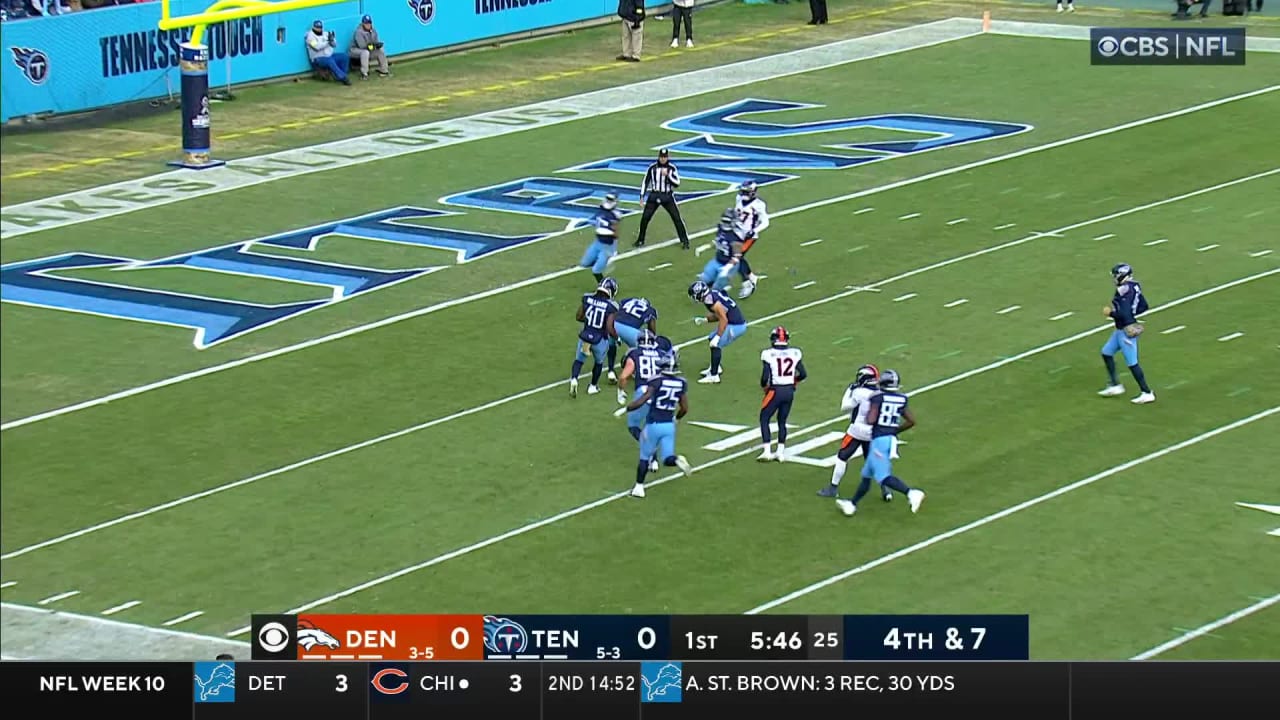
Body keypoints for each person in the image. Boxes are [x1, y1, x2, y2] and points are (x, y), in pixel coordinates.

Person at [835, 370, 926, 517]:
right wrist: (894, 430)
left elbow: (871, 420)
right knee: (866, 475)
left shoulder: (877, 397)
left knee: (882, 476)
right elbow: (911, 421)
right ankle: (852, 504)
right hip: (890, 439)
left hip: (879, 440)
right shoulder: (901, 398)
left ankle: (911, 493)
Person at [626, 351, 694, 498]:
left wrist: (629, 407)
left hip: (654, 424)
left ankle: (639, 487)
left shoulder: (656, 381)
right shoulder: (681, 383)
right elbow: (685, 408)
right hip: (669, 425)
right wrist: (676, 418)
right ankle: (677, 460)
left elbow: (644, 398)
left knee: (644, 456)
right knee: (667, 458)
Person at [819, 364, 888, 499]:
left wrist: (848, 390)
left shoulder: (859, 392)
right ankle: (885, 490)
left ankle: (833, 488)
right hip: (873, 432)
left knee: (842, 457)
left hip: (856, 430)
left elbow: (845, 407)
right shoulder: (882, 394)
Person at [1098, 263, 1155, 404]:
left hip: (1125, 330)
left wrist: (1110, 313)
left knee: (1132, 363)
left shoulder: (1123, 290)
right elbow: (1143, 306)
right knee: (1106, 352)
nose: (1114, 279)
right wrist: (1132, 316)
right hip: (1120, 329)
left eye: (1115, 275)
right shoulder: (1135, 285)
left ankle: (1147, 392)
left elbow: (1123, 313)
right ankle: (1115, 385)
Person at [615, 330, 666, 472]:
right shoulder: (661, 354)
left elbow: (624, 377)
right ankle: (654, 458)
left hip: (643, 392)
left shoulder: (635, 354)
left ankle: (652, 455)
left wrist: (621, 392)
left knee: (634, 426)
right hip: (661, 393)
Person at [757, 326, 807, 462]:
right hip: (789, 391)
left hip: (775, 390)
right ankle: (780, 452)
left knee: (764, 418)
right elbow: (803, 374)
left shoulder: (768, 354)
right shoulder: (795, 353)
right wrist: (794, 381)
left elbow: (764, 377)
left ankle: (767, 451)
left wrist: (764, 387)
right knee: (782, 421)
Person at [688, 280, 747, 384]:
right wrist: (706, 320)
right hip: (733, 322)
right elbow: (721, 314)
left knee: (715, 344)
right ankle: (715, 367)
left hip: (736, 325)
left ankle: (714, 376)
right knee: (711, 338)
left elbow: (723, 319)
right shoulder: (711, 296)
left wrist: (718, 337)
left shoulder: (710, 300)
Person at [569, 278, 619, 398]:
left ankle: (574, 379)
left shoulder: (587, 298)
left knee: (579, 360)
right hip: (599, 339)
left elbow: (579, 316)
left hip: (586, 336)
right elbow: (609, 327)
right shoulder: (611, 306)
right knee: (598, 362)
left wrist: (589, 322)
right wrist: (617, 338)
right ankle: (592, 386)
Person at [634, 148, 691, 249]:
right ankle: (640, 240)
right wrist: (642, 196)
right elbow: (645, 182)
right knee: (645, 218)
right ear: (659, 157)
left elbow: (677, 183)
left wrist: (668, 176)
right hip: (654, 195)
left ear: (667, 157)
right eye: (661, 157)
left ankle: (685, 241)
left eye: (664, 157)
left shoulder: (671, 168)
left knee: (676, 218)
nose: (663, 159)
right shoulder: (652, 168)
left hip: (667, 196)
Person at [732, 181, 769, 299]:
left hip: (749, 236)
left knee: (737, 257)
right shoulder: (738, 198)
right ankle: (752, 278)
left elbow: (766, 221)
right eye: (742, 191)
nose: (743, 194)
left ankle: (747, 284)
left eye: (745, 192)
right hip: (737, 233)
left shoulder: (759, 205)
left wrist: (755, 230)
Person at [581, 193, 622, 284]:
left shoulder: (615, 214)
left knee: (596, 270)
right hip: (597, 242)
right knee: (584, 263)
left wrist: (614, 249)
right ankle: (600, 261)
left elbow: (616, 232)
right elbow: (595, 221)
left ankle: (605, 287)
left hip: (607, 246)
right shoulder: (601, 209)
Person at [306, 20, 351, 85]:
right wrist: (328, 42)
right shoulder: (310, 36)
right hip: (318, 59)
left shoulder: (326, 33)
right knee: (330, 61)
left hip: (329, 55)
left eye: (320, 27)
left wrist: (332, 40)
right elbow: (317, 47)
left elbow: (334, 45)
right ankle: (343, 78)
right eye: (317, 27)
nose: (319, 29)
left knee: (344, 56)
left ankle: (343, 74)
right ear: (313, 27)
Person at [349, 14, 390, 80]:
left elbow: (375, 42)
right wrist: (373, 46)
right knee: (365, 52)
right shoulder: (358, 32)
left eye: (369, 23)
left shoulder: (373, 30)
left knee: (380, 50)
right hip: (355, 50)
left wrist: (377, 45)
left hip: (368, 49)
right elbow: (362, 46)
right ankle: (364, 73)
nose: (368, 25)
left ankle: (384, 70)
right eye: (366, 23)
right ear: (363, 23)